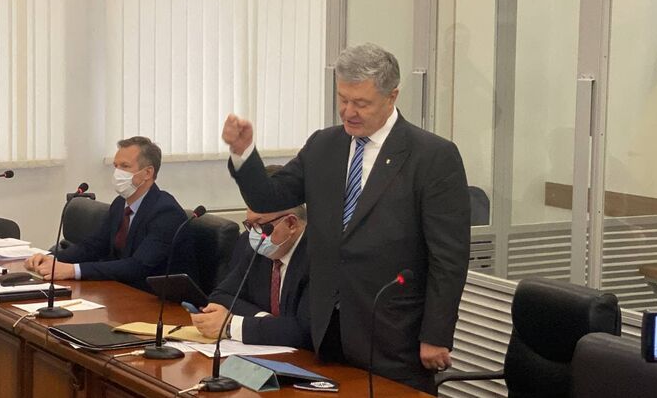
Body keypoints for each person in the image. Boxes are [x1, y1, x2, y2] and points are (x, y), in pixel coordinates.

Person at [221, 43, 470, 394]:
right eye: (343, 99)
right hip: (326, 329)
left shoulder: (432, 156)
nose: (348, 112)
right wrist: (243, 153)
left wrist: (436, 334)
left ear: (392, 96)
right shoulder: (324, 145)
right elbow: (269, 198)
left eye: (361, 103)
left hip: (393, 334)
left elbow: (449, 257)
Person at [25, 136, 196, 293]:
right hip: (122, 290)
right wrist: (51, 258)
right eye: (116, 166)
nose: (117, 173)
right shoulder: (120, 204)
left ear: (147, 173)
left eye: (125, 166)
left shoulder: (166, 212)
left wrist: (72, 270)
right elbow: (94, 246)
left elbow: (138, 266)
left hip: (158, 300)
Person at [190, 201, 311, 350]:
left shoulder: (320, 259)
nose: (254, 234)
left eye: (260, 225)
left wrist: (231, 325)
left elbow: (306, 330)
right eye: (250, 225)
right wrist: (264, 319)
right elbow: (221, 295)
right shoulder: (257, 247)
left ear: (291, 224)